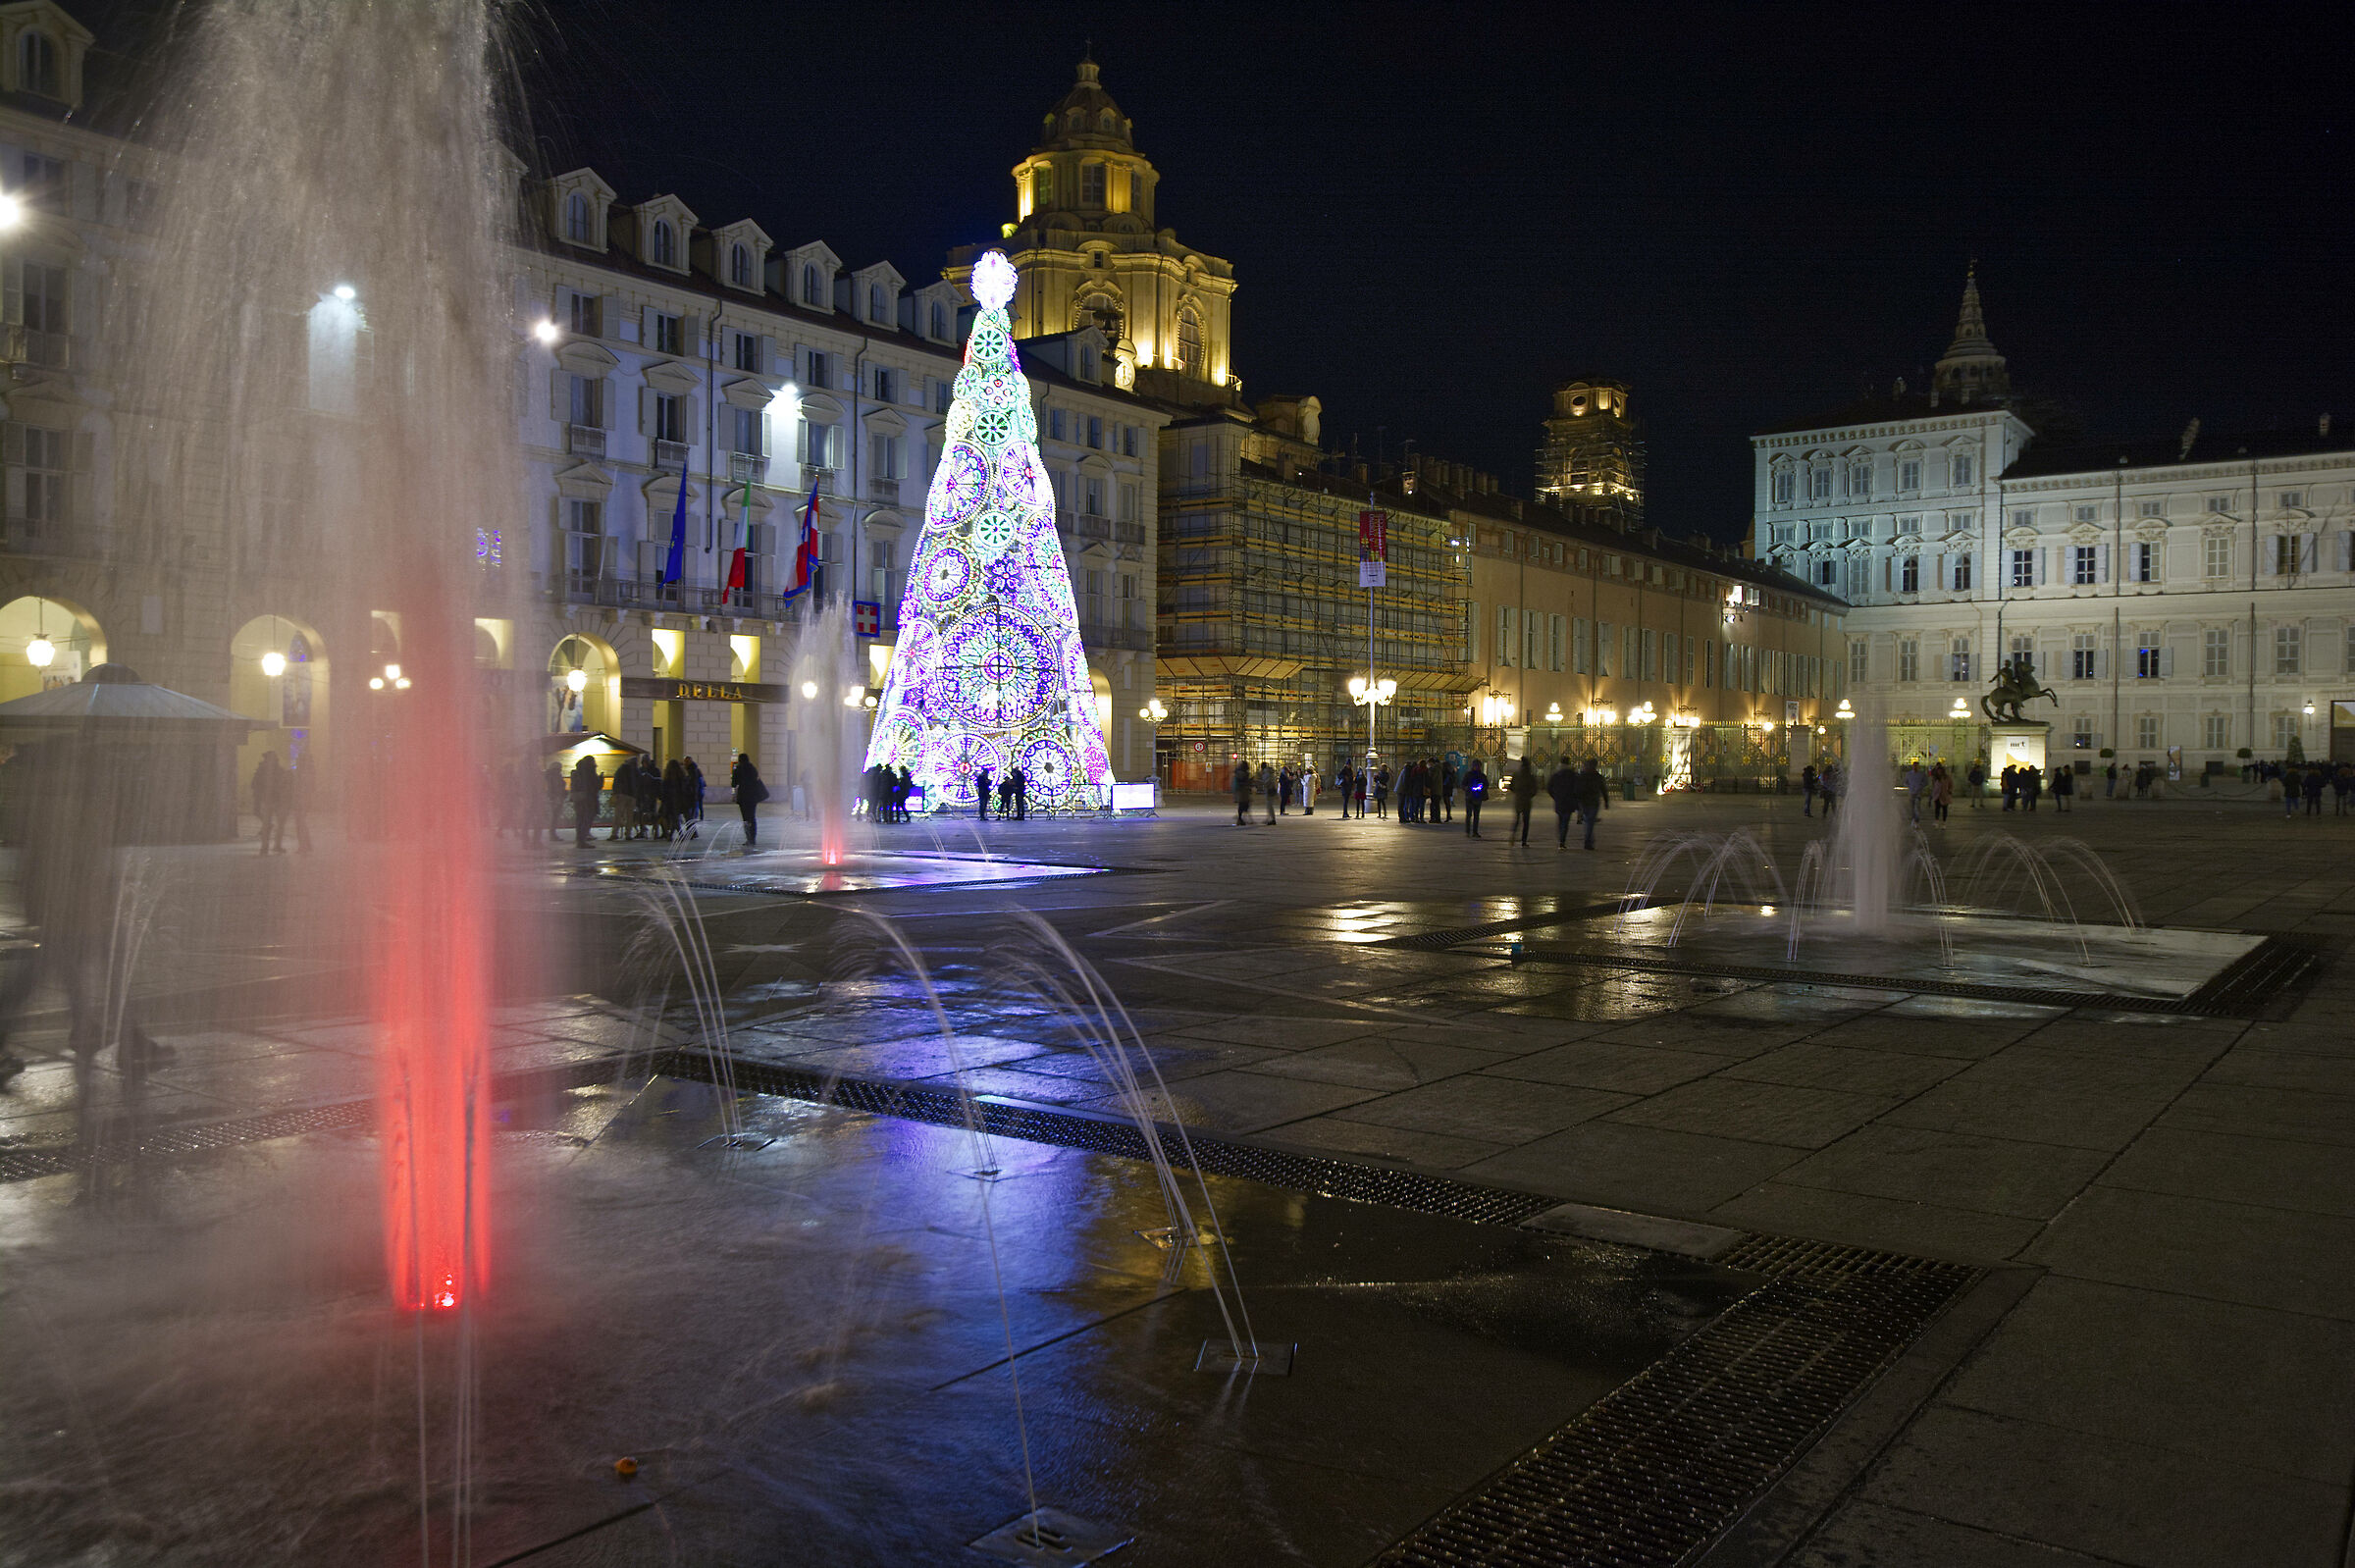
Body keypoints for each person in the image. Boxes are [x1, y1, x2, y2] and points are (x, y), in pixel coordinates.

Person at [251, 749, 288, 854]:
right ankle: (273, 845)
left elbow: (254, 784)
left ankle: (266, 847)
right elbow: (285, 785)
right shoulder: (278, 770)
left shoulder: (262, 770)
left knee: (269, 824)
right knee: (278, 824)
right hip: (275, 800)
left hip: (270, 800)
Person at [730, 753, 766, 845]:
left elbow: (734, 784)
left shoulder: (738, 769)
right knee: (752, 817)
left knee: (745, 819)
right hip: (753, 796)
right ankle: (753, 838)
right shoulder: (752, 768)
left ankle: (748, 838)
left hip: (743, 797)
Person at [569, 754, 602, 847]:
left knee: (580, 819)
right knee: (586, 819)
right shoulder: (590, 771)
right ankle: (582, 840)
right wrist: (600, 779)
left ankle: (580, 839)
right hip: (588, 799)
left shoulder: (577, 772)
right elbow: (595, 786)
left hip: (578, 798)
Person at [1546, 757, 1578, 848]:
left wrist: (1555, 796)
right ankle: (1562, 840)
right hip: (1569, 801)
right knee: (1566, 821)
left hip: (1559, 801)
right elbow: (1576, 788)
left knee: (1560, 819)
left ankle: (1561, 836)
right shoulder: (1572, 775)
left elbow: (1549, 787)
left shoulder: (1556, 774)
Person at [1506, 757, 1538, 845]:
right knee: (1526, 822)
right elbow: (1534, 789)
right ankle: (1524, 841)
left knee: (1516, 819)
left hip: (1518, 800)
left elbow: (1511, 787)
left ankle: (1513, 834)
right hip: (1527, 801)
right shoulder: (1530, 776)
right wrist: (1530, 795)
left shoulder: (1516, 774)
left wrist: (1517, 793)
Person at [1461, 758, 1487, 838]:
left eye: (1478, 766)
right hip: (1470, 797)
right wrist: (1467, 788)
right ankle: (1468, 831)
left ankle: (1474, 832)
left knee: (1476, 815)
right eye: (1476, 766)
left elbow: (1486, 784)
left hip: (1477, 797)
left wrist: (1481, 787)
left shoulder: (1481, 775)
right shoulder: (1469, 775)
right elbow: (1463, 784)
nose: (1477, 767)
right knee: (1469, 815)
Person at [1231, 758, 1253, 826]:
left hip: (1241, 791)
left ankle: (1241, 819)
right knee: (1244, 805)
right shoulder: (1242, 773)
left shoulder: (1238, 772)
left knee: (1242, 805)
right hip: (1243, 791)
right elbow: (1244, 781)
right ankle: (1240, 819)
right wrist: (1250, 781)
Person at [1259, 760, 1278, 824]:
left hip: (1269, 790)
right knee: (1269, 805)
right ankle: (1270, 818)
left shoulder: (1267, 773)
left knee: (1269, 805)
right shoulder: (1270, 772)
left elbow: (1267, 782)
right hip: (1271, 790)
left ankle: (1272, 819)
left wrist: (1260, 782)